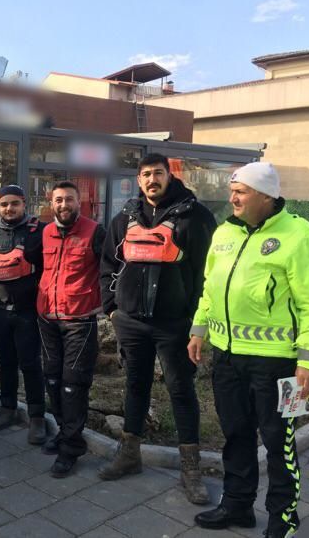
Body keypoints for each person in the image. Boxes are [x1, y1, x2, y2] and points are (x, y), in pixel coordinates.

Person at [189, 162, 309, 537]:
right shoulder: (224, 232)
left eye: (241, 191)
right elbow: (209, 287)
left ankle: (283, 518)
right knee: (236, 434)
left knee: (277, 443)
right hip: (227, 357)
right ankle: (237, 506)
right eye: (232, 190)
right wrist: (199, 330)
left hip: (276, 363)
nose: (232, 198)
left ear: (266, 196)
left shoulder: (299, 235)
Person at [98, 153, 216, 505]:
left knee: (181, 391)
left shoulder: (195, 216)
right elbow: (108, 264)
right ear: (139, 180)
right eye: (146, 174)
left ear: (169, 175)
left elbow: (208, 273)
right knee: (135, 386)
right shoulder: (125, 217)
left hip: (175, 325)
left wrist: (195, 322)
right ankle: (129, 454)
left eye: (158, 173)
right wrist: (112, 308)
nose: (152, 179)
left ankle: (190, 468)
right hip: (131, 322)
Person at [36, 181, 106, 478]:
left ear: (80, 202)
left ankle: (71, 448)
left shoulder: (95, 232)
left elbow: (110, 270)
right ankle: (65, 432)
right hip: (47, 318)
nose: (63, 205)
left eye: (69, 199)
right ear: (51, 202)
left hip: (79, 320)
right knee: (52, 380)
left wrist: (107, 305)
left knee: (72, 384)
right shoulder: (45, 232)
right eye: (59, 200)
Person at [0, 184, 46, 444]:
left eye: (14, 203)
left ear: (23, 204)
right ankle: (7, 408)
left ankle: (37, 417)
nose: (9, 208)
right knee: (6, 362)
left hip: (27, 312)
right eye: (4, 204)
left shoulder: (39, 232)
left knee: (30, 364)